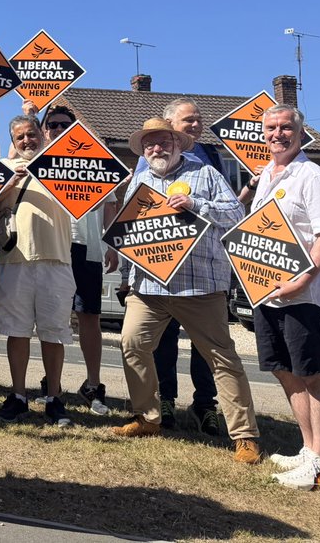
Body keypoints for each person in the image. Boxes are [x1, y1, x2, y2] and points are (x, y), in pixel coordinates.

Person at [112, 118, 262, 466]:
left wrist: (196, 205)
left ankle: (244, 436)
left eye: (163, 142)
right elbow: (129, 231)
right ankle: (147, 418)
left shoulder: (205, 174)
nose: (156, 149)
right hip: (149, 285)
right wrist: (126, 274)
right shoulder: (140, 179)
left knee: (221, 357)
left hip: (199, 285)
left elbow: (236, 212)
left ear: (178, 144)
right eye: (149, 144)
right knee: (132, 344)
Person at [252, 104, 320, 490]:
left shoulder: (313, 175)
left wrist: (304, 280)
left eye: (286, 127)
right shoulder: (265, 176)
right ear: (263, 134)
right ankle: (309, 451)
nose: (278, 133)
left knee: (313, 374)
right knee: (286, 371)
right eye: (271, 128)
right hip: (269, 292)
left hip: (302, 295)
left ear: (300, 132)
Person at [131, 97, 224, 433]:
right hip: (160, 270)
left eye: (198, 119)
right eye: (189, 120)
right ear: (171, 126)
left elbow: (225, 208)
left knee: (207, 348)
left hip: (202, 271)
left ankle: (205, 405)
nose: (196, 125)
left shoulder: (210, 160)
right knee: (162, 341)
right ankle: (165, 401)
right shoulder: (149, 161)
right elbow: (137, 214)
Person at [0, 115, 76, 427]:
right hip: (16, 262)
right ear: (13, 141)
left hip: (57, 261)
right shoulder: (6, 169)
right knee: (17, 331)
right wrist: (9, 182)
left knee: (54, 333)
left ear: (42, 134)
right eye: (20, 137)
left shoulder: (64, 167)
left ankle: (54, 398)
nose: (27, 141)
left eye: (31, 134)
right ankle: (18, 395)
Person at [40, 105, 117, 416]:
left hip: (87, 247)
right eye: (52, 125)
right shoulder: (39, 161)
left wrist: (111, 243)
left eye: (64, 125)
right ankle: (52, 383)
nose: (58, 130)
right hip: (52, 248)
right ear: (45, 130)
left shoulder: (95, 159)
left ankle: (93, 385)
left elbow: (111, 203)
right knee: (52, 319)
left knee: (89, 318)